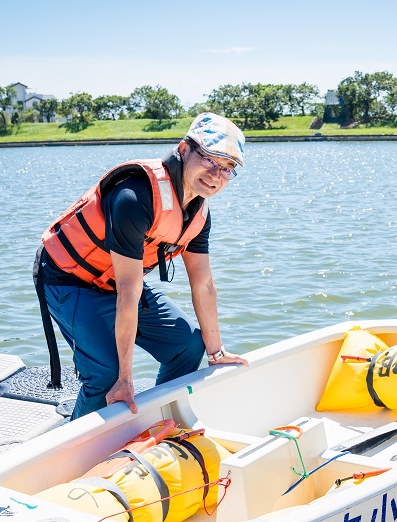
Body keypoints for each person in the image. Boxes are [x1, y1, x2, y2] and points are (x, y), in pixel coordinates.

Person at [33, 113, 250, 420]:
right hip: (69, 280)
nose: (216, 174)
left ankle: (159, 422)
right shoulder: (134, 197)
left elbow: (203, 284)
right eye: (210, 159)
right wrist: (125, 378)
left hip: (118, 283)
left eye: (227, 169)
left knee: (188, 345)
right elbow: (128, 291)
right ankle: (75, 450)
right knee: (106, 375)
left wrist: (217, 353)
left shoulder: (198, 213)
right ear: (184, 149)